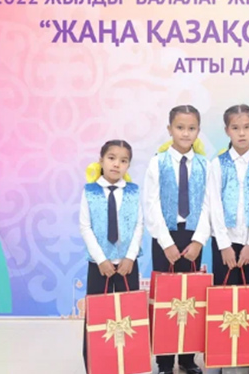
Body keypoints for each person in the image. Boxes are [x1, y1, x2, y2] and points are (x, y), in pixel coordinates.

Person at [142, 105, 209, 374]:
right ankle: (165, 361)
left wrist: (199, 240)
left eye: (191, 128)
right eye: (180, 128)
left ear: (198, 131)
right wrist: (166, 242)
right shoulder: (157, 163)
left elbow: (209, 205)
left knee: (191, 299)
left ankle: (187, 358)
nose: (185, 133)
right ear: (170, 129)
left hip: (193, 237)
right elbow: (151, 204)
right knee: (166, 300)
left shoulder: (205, 165)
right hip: (165, 237)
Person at [79, 140, 143, 371]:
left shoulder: (133, 191)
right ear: (101, 160)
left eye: (123, 161)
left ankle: (130, 363)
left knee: (130, 314)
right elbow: (85, 227)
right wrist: (101, 259)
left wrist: (130, 257)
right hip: (100, 265)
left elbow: (138, 225)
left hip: (127, 264)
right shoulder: (90, 192)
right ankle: (96, 364)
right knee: (97, 314)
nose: (117, 164)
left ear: (128, 165)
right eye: (112, 158)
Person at [207, 104, 249, 285]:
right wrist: (224, 245)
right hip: (224, 243)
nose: (241, 133)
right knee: (225, 294)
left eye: (246, 127)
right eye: (235, 128)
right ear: (227, 130)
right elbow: (214, 205)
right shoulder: (217, 164)